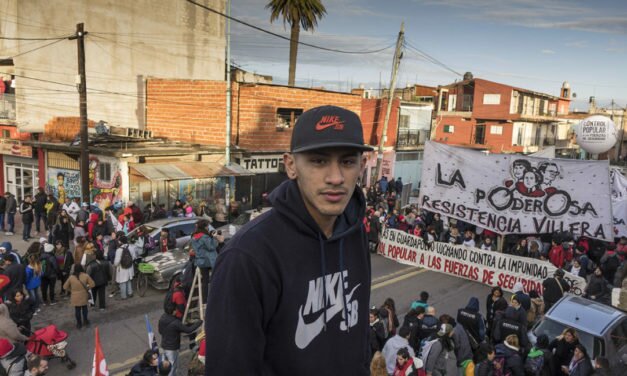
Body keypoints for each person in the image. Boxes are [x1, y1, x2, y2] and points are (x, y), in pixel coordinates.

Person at [205, 106, 373, 374]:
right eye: (318, 161)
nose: (336, 178)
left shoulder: (354, 232)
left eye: (348, 162)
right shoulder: (247, 257)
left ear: (362, 166)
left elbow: (359, 331)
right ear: (291, 166)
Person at [158, 302, 202, 376]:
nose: (176, 311)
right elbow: (188, 330)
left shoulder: (162, 317)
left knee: (164, 365)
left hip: (164, 345)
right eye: (175, 310)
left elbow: (160, 331)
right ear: (173, 311)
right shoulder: (175, 323)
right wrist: (199, 322)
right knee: (172, 366)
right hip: (172, 348)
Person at [63, 264, 95, 329]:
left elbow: (64, 287)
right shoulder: (86, 276)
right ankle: (85, 321)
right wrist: (87, 287)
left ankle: (79, 323)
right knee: (84, 309)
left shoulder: (71, 277)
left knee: (77, 310)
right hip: (84, 295)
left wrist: (71, 290)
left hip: (75, 296)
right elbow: (93, 284)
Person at [190, 220, 216, 300]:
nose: (208, 227)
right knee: (215, 278)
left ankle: (204, 299)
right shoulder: (205, 237)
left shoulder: (194, 236)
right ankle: (215, 296)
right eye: (207, 226)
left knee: (204, 281)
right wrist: (214, 238)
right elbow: (211, 247)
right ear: (205, 227)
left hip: (200, 261)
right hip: (209, 261)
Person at [114, 235, 134, 300]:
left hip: (122, 268)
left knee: (122, 282)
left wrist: (115, 265)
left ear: (121, 242)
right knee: (128, 280)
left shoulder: (119, 250)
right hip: (130, 266)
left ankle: (124, 296)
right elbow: (133, 257)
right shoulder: (131, 247)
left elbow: (117, 261)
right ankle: (130, 293)